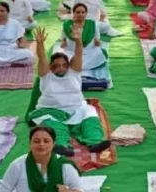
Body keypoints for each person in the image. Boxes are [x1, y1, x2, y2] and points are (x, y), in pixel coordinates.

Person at [26, 27, 110, 157]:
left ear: (68, 65)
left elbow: (78, 53)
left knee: (90, 116)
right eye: (56, 65)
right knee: (54, 126)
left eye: (64, 65)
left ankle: (95, 143)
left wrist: (78, 40)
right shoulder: (46, 75)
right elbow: (42, 57)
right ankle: (61, 145)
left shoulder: (74, 72)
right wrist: (40, 44)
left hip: (76, 109)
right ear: (50, 66)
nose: (61, 68)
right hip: (51, 111)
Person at [56, 3, 107, 71]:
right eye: (78, 12)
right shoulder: (67, 25)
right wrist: (63, 43)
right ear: (73, 13)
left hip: (89, 51)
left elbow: (97, 39)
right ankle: (79, 66)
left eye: (83, 12)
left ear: (86, 14)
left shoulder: (92, 24)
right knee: (66, 59)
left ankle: (79, 66)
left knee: (98, 55)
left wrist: (98, 42)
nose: (81, 14)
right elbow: (63, 39)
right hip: (72, 51)